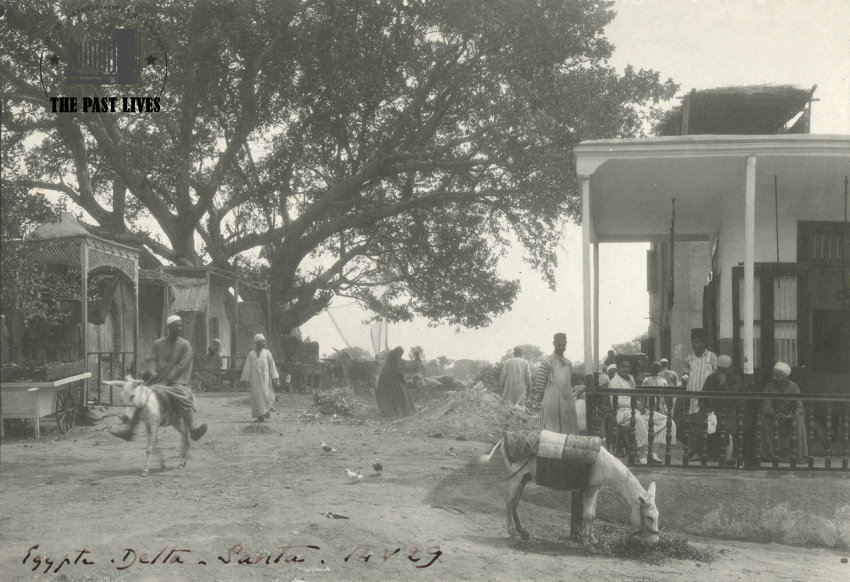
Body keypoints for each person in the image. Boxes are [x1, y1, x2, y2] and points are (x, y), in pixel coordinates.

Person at [112, 315, 207, 441]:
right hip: (159, 380)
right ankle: (129, 431)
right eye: (175, 326)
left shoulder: (185, 345)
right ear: (169, 328)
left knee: (184, 398)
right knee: (141, 396)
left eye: (180, 326)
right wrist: (151, 370)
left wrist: (168, 379)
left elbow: (182, 366)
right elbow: (152, 359)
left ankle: (192, 429)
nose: (178, 329)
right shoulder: (158, 343)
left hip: (177, 381)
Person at [531, 332, 583, 540]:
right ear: (553, 344)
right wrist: (537, 402)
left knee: (566, 437)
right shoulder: (546, 363)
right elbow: (539, 385)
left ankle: (564, 473)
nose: (561, 346)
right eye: (559, 344)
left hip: (566, 404)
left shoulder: (568, 364)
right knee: (550, 436)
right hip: (551, 405)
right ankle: (547, 472)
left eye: (564, 344)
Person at [609, 357, 676, 464]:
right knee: (638, 419)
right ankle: (643, 456)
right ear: (618, 367)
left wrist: (641, 406)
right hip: (623, 412)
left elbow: (635, 395)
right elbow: (617, 402)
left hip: (636, 409)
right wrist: (636, 405)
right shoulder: (614, 382)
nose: (625, 369)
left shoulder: (630, 378)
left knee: (665, 420)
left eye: (628, 367)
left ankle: (653, 453)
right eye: (623, 367)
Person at [698, 355, 742, 465]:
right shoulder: (710, 378)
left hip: (728, 412)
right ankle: (701, 452)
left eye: (724, 370)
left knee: (727, 428)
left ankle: (728, 457)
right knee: (691, 422)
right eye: (719, 369)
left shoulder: (736, 379)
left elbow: (732, 399)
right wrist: (705, 410)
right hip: (711, 411)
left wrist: (723, 382)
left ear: (730, 369)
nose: (720, 372)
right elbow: (702, 398)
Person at [761, 362, 808, 463]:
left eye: (778, 376)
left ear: (786, 377)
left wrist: (790, 416)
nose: (774, 378)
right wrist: (775, 414)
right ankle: (769, 455)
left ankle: (799, 456)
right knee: (764, 420)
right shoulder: (768, 386)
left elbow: (799, 407)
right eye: (774, 375)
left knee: (799, 420)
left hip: (789, 419)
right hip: (774, 418)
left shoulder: (794, 387)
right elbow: (766, 405)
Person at [240, 334, 280, 422]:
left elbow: (272, 365)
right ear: (257, 343)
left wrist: (275, 376)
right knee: (257, 397)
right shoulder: (251, 354)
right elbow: (247, 367)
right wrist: (245, 379)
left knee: (266, 395)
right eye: (261, 342)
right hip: (255, 380)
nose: (263, 344)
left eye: (264, 342)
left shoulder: (267, 353)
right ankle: (261, 416)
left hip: (265, 379)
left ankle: (265, 412)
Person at [682, 328, 717, 414]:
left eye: (697, 342)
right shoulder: (689, 358)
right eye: (693, 342)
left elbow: (716, 375)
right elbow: (686, 374)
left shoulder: (712, 356)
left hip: (706, 396)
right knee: (692, 419)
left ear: (704, 342)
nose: (694, 344)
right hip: (692, 395)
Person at [375, 346, 416, 418]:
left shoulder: (390, 361)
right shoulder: (398, 360)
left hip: (387, 383)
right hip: (395, 382)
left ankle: (391, 414)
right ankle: (404, 413)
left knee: (391, 398)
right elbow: (398, 371)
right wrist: (403, 378)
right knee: (402, 396)